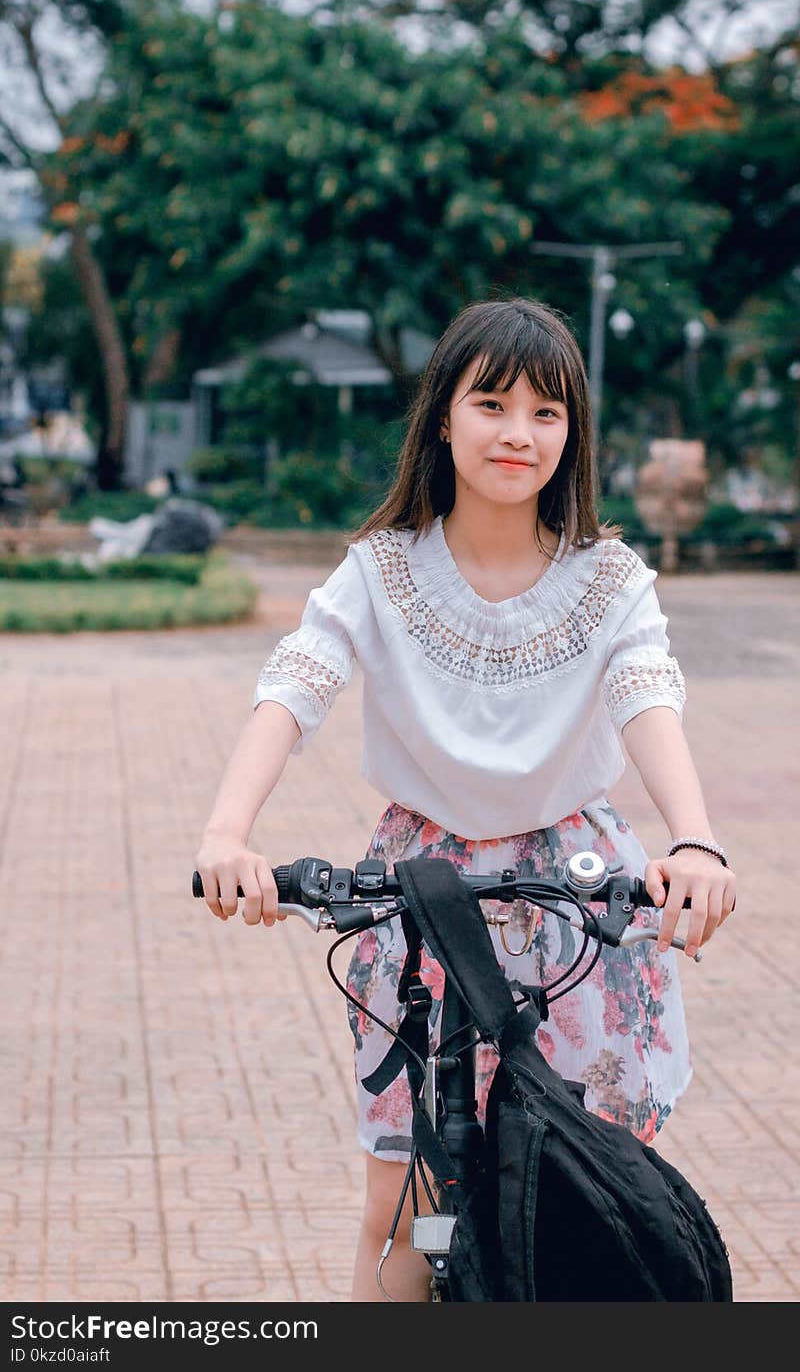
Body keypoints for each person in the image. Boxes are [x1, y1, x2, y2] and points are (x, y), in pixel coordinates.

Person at [195, 297, 737, 1302]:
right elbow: (297, 683)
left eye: (546, 411)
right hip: (423, 898)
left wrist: (694, 843)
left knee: (583, 1194)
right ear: (443, 417)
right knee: (404, 1207)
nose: (517, 432)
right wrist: (229, 832)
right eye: (492, 403)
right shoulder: (383, 570)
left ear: (571, 432)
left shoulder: (607, 578)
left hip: (576, 894)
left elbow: (645, 695)